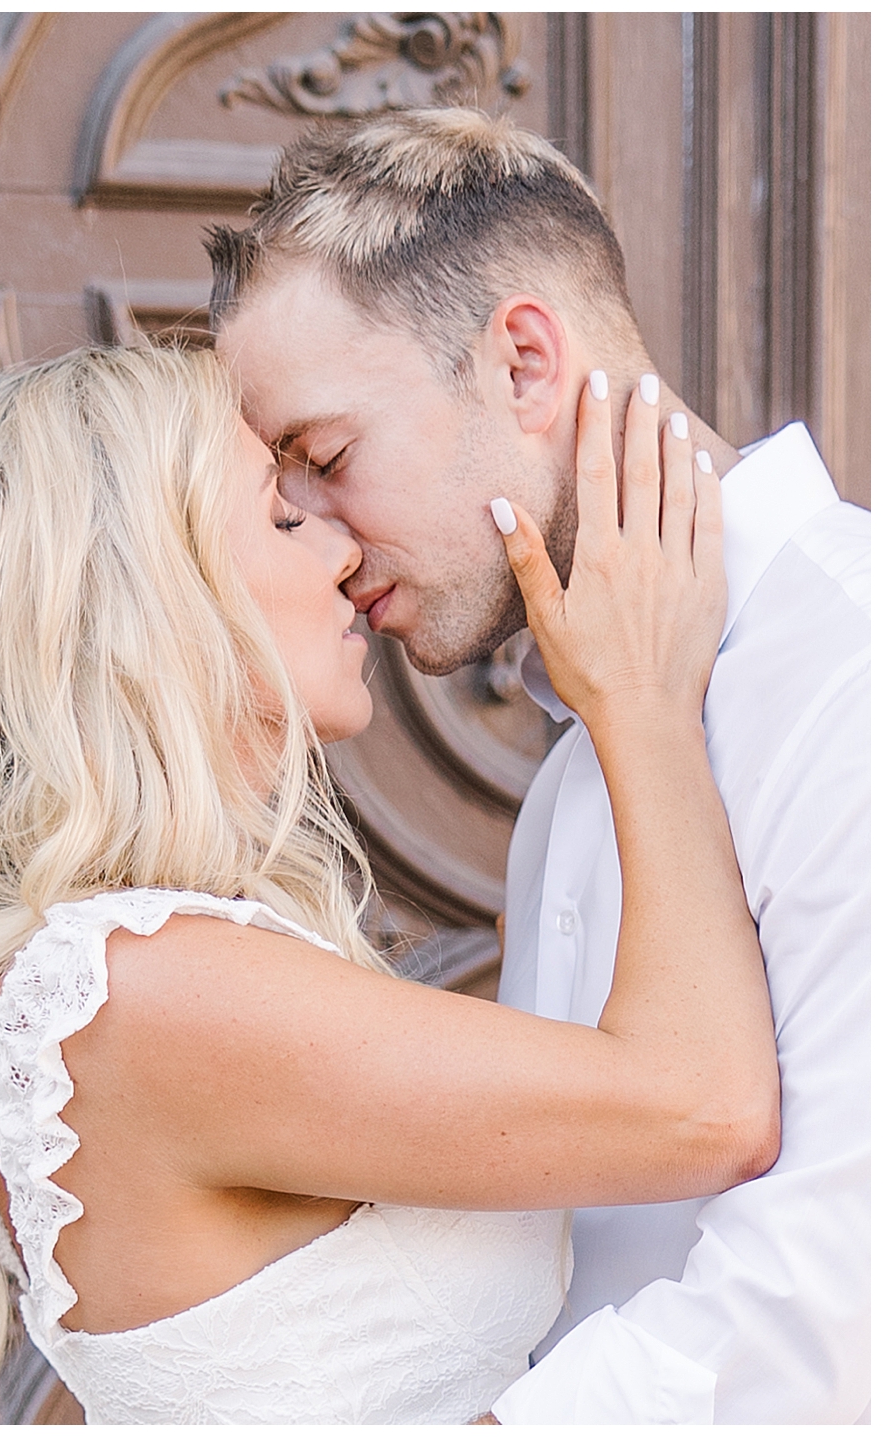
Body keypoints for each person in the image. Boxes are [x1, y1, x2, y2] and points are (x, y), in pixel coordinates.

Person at [0, 342, 777, 1423]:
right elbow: (706, 1108)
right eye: (286, 518)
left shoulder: (142, 977)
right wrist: (644, 701)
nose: (344, 548)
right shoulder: (131, 988)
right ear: (151, 601)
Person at [210, 108, 868, 1423]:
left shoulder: (854, 670)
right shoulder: (577, 767)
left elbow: (839, 1297)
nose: (324, 545)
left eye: (328, 460)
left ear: (521, 362)